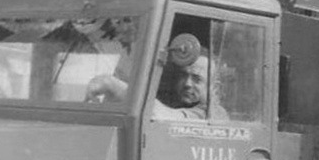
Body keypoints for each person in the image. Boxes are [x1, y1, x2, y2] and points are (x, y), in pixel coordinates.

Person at [86, 45, 227, 121]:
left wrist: (112, 85)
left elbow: (159, 116)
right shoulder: (177, 104)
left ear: (215, 87)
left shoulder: (214, 115)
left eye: (197, 79)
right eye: (183, 75)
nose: (187, 83)